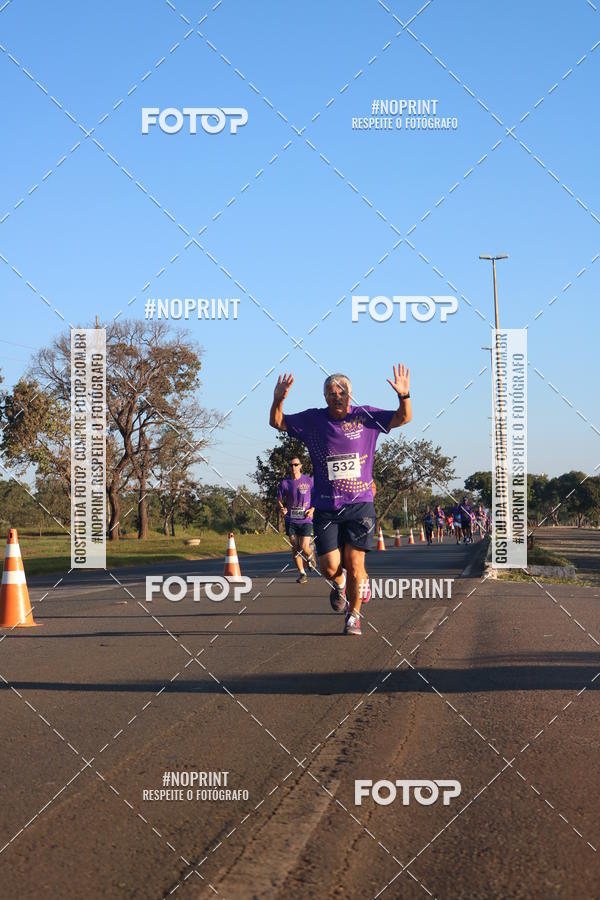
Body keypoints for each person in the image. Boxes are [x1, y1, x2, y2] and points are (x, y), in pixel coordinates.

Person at [269, 364, 412, 635]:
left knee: (356, 562)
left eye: (341, 392)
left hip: (360, 505)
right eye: (330, 392)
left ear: (350, 394)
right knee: (330, 566)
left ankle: (353, 615)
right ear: (325, 397)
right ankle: (340, 583)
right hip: (326, 507)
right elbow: (277, 422)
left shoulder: (366, 417)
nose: (336, 396)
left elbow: (403, 418)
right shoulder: (314, 420)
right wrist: (279, 399)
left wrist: (404, 396)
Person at [277, 458, 316, 583]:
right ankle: (302, 573)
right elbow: (279, 499)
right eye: (291, 465)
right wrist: (282, 508)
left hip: (306, 519)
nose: (293, 467)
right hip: (291, 520)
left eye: (296, 464)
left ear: (300, 466)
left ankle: (310, 556)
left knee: (304, 547)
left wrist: (312, 510)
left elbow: (316, 497)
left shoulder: (309, 481)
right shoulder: (285, 483)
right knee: (295, 548)